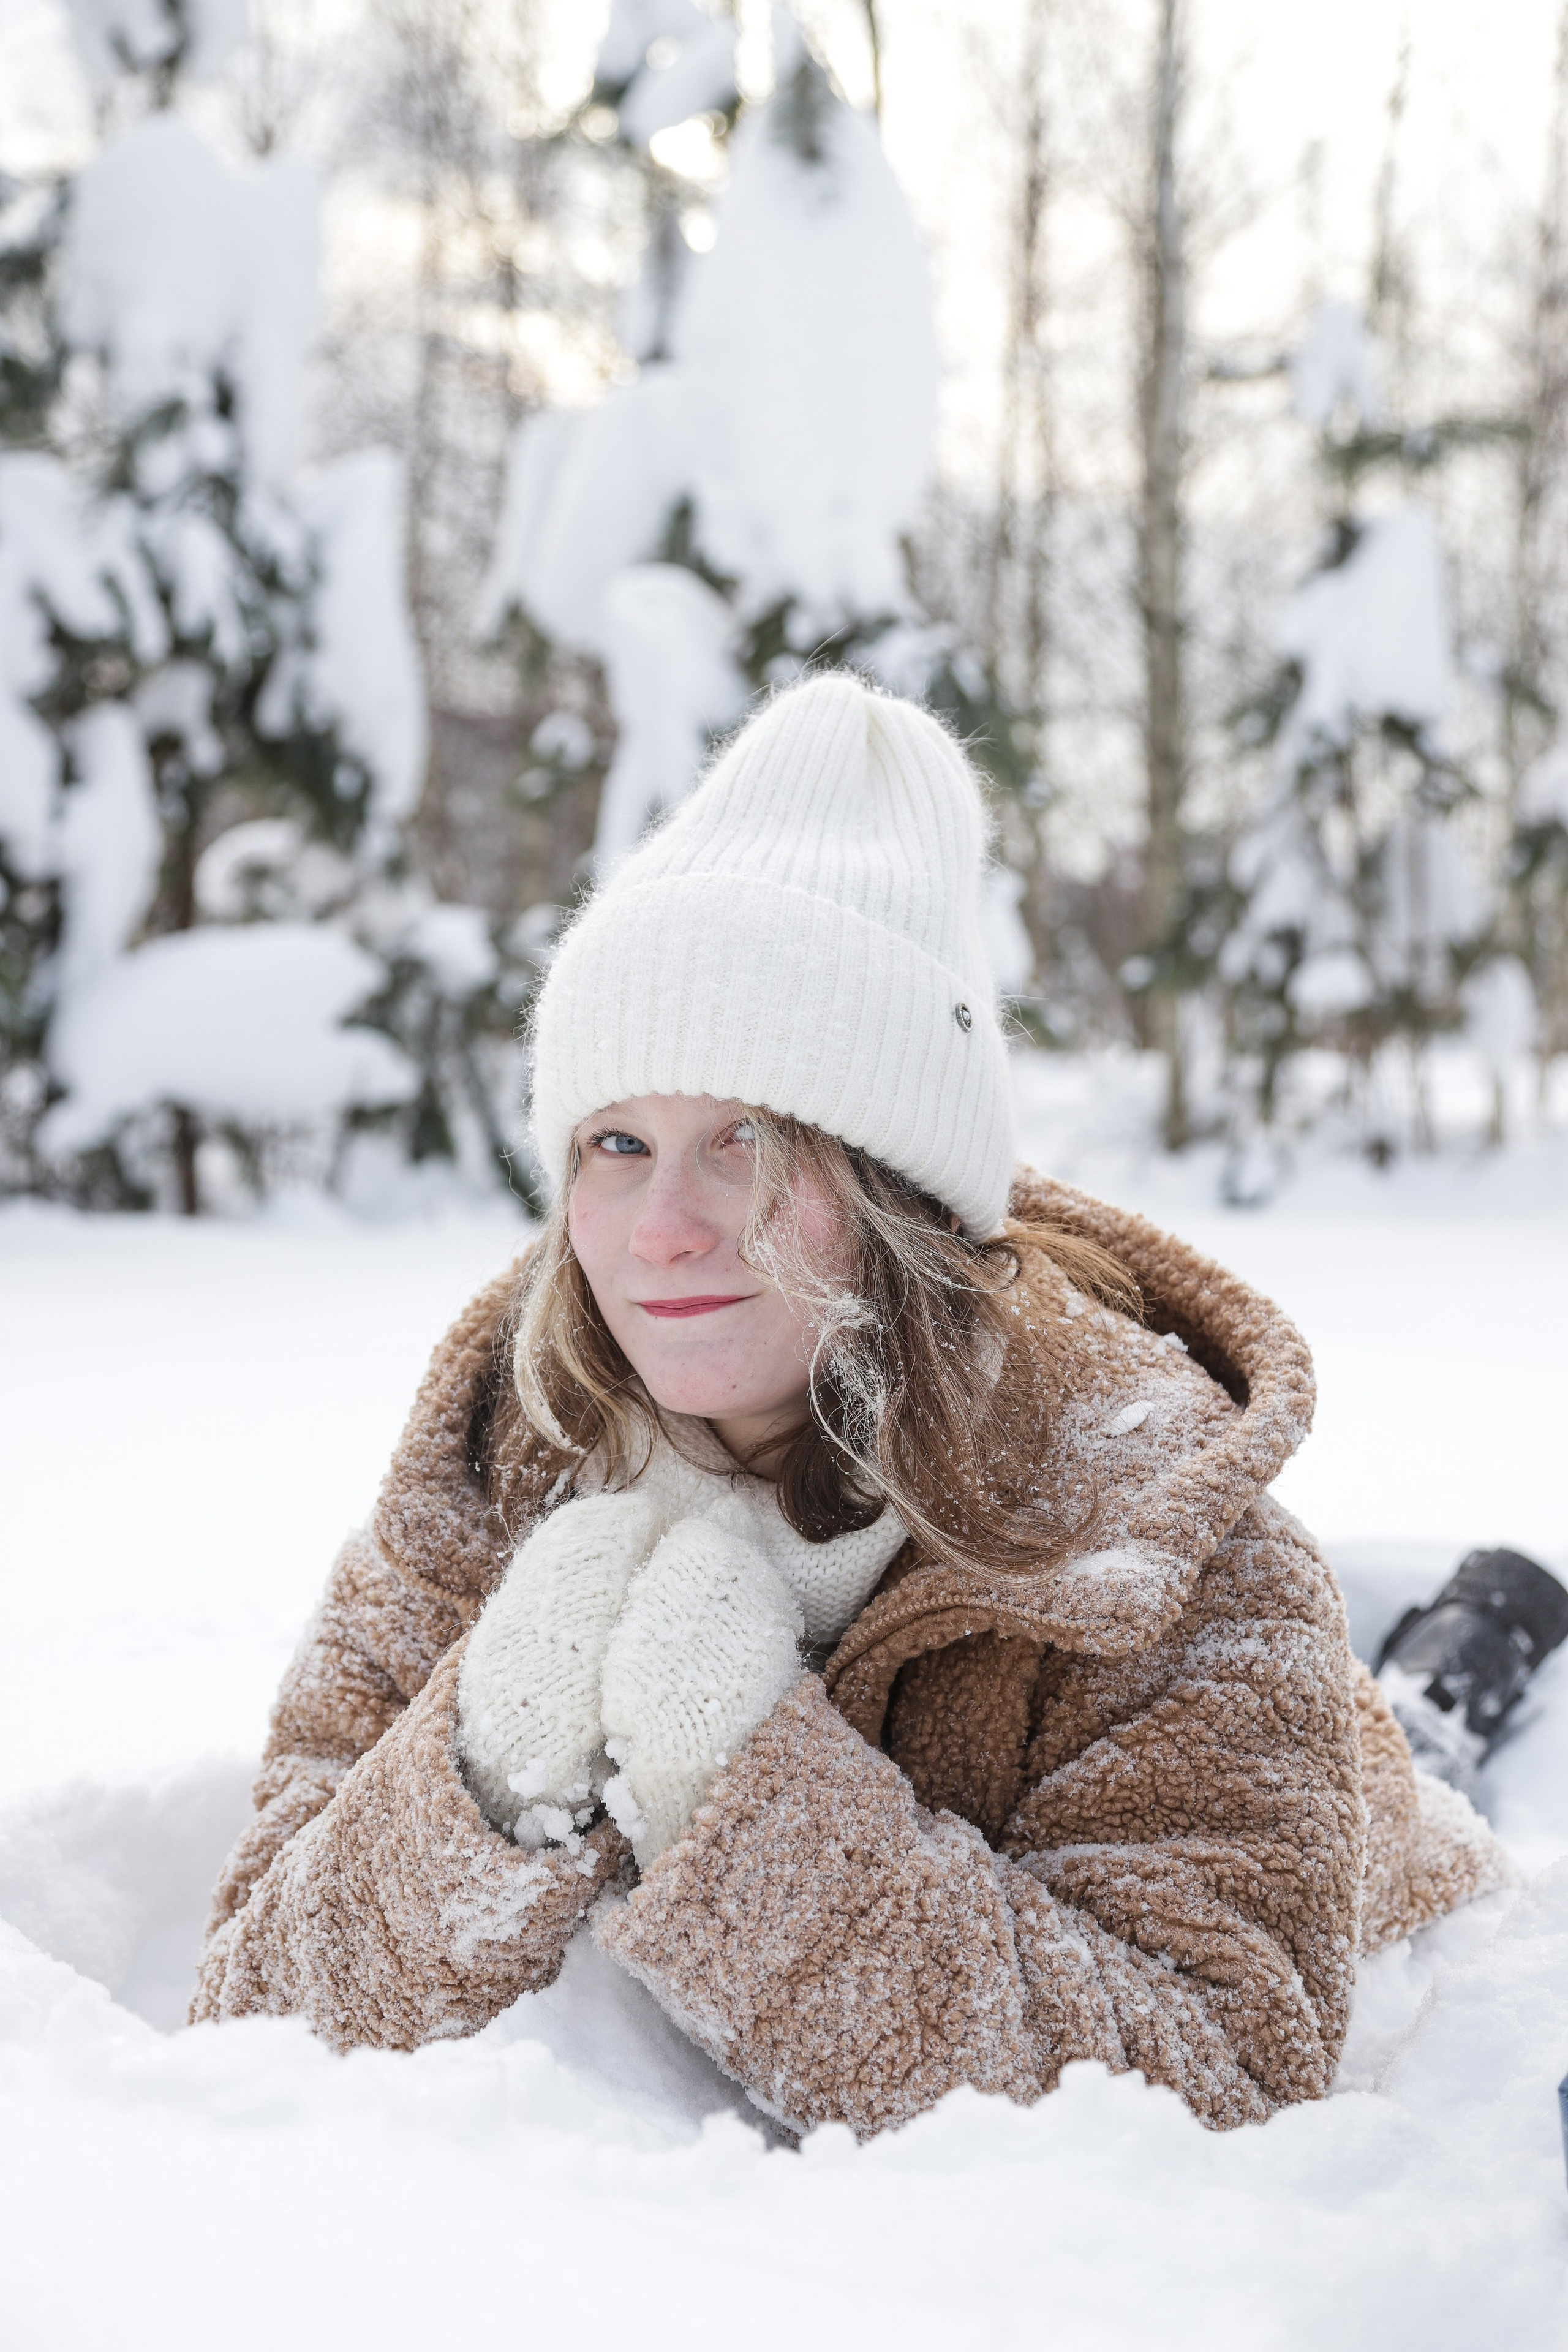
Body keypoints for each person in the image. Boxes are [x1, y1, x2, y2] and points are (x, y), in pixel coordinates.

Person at [192, 673, 1509, 2136]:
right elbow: (246, 2013)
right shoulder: (483, 1484)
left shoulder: (1165, 1559)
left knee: (1420, 1743)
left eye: (747, 1138)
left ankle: (1464, 1652)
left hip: (1355, 1810)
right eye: (616, 1143)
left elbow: (1214, 2090)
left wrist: (744, 1797)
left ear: (898, 1195)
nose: (661, 1230)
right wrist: (483, 1778)